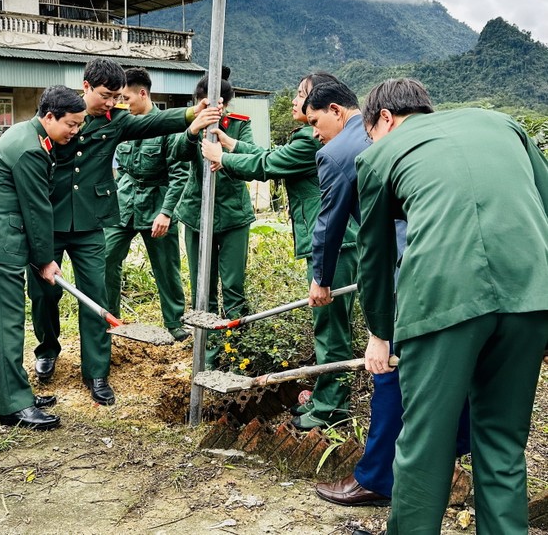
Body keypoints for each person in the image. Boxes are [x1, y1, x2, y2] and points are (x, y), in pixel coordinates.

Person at [355, 79, 548, 535]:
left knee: (426, 446)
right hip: (531, 295)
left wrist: (379, 334)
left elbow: (375, 256)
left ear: (384, 118)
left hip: (442, 300)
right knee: (502, 444)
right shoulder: (502, 124)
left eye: (369, 133)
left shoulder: (378, 156)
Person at [305, 80, 469, 508]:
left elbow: (336, 226)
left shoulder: (345, 154)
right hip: (465, 272)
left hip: (409, 273)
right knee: (463, 364)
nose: (314, 132)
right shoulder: (452, 136)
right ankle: (450, 452)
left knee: (389, 370)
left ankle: (378, 476)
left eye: (316, 120)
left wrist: (321, 280)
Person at [27, 59, 219, 405]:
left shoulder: (115, 121)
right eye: (105, 95)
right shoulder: (57, 113)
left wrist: (192, 115)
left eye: (117, 97)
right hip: (50, 220)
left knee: (96, 295)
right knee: (43, 294)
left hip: (90, 223)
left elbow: (154, 122)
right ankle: (47, 348)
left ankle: (97, 371)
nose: (112, 103)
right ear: (85, 86)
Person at [201, 72, 358, 428]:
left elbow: (267, 165)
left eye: (301, 96)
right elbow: (272, 154)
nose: (294, 102)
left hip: (335, 243)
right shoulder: (308, 137)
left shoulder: (311, 141)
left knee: (331, 329)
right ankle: (326, 397)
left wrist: (222, 158)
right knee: (329, 326)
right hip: (333, 241)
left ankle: (330, 408)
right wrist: (232, 144)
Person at [0, 86, 86, 430]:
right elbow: (37, 211)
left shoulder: (20, 131)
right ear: (49, 117)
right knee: (7, 326)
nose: (75, 132)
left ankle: (17, 392)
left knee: (10, 324)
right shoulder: (32, 151)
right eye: (72, 125)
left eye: (79, 125)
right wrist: (46, 260)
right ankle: (13, 407)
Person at [170, 71, 254, 366]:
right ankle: (206, 355)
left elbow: (249, 161)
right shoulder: (190, 125)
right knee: (202, 287)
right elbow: (177, 154)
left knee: (233, 287)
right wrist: (193, 131)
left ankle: (235, 353)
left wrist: (224, 150)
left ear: (225, 103)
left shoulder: (240, 126)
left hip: (233, 216)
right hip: (196, 215)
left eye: (219, 104)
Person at [104, 67, 190, 342]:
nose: (122, 104)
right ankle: (108, 317)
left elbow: (179, 174)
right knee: (107, 257)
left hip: (157, 202)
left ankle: (175, 322)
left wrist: (166, 212)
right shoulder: (122, 124)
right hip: (124, 201)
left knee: (166, 265)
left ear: (143, 93)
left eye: (126, 98)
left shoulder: (165, 125)